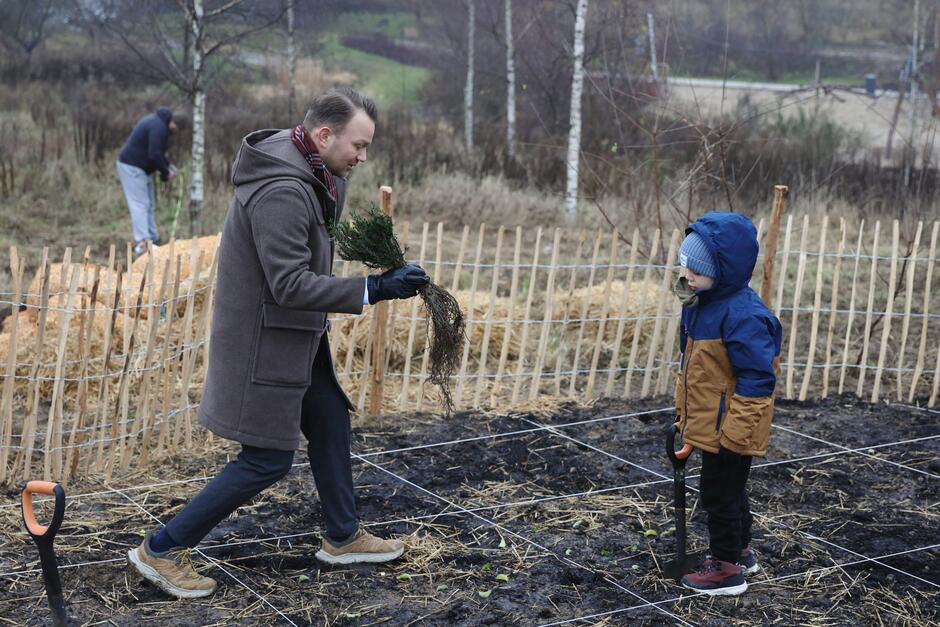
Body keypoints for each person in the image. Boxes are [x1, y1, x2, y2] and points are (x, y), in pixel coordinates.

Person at [126, 87, 429, 599]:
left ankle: (343, 536)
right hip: (263, 342)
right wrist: (372, 289)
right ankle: (162, 548)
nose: (363, 156)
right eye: (358, 145)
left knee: (330, 418)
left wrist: (379, 273)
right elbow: (289, 283)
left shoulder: (320, 173)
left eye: (367, 146)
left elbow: (306, 264)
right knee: (266, 459)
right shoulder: (284, 189)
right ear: (324, 134)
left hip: (296, 337)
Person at [672, 212, 782, 596]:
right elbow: (695, 373)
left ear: (724, 269)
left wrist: (736, 433)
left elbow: (758, 380)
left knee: (718, 493)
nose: (687, 277)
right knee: (730, 491)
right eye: (684, 267)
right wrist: (686, 424)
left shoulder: (744, 315)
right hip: (712, 423)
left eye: (696, 271)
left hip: (733, 425)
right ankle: (740, 551)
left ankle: (725, 571)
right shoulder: (701, 303)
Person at [116, 107, 182, 255]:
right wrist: (166, 172)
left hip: (142, 169)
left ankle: (153, 239)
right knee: (140, 204)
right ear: (171, 122)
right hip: (132, 166)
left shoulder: (156, 123)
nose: (176, 129)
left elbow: (156, 153)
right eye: (176, 125)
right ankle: (143, 242)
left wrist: (168, 166)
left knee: (149, 204)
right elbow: (154, 154)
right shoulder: (159, 127)